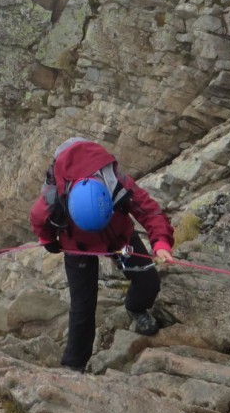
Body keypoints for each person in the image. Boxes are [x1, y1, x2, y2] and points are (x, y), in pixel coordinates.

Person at [30, 138, 175, 373]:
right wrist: (49, 242)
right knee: (83, 306)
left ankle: (136, 307)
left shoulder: (115, 182)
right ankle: (74, 365)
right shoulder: (53, 197)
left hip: (118, 238)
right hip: (78, 246)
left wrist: (161, 243)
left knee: (149, 282)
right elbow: (38, 220)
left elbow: (148, 210)